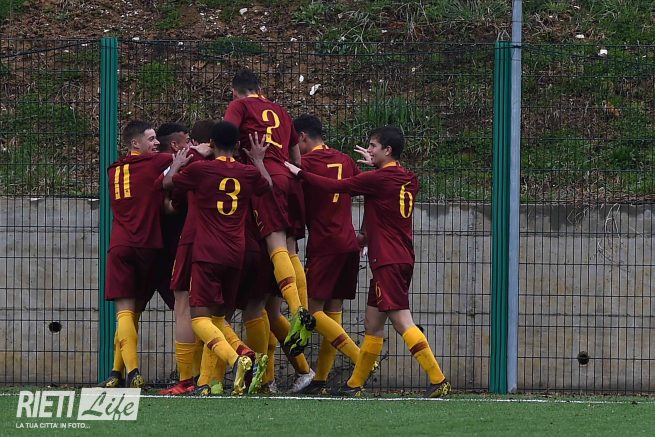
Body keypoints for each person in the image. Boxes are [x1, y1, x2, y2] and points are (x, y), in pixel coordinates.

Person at [285, 126, 451, 398]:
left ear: (388, 150)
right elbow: (383, 205)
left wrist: (300, 172)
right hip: (399, 256)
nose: (369, 150)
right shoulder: (409, 178)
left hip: (388, 259)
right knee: (372, 324)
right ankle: (354, 385)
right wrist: (364, 234)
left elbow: (336, 186)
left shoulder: (379, 179)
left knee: (402, 321)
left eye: (373, 146)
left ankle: (438, 379)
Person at [163, 121, 270, 396]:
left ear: (211, 143)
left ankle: (237, 358)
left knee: (199, 318)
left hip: (207, 252)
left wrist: (177, 163)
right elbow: (267, 185)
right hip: (236, 253)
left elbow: (167, 183)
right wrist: (258, 160)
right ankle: (225, 369)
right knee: (220, 317)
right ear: (238, 145)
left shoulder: (201, 169)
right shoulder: (247, 172)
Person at [224, 68, 314, 355]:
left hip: (265, 177)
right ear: (260, 88)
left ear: (235, 91)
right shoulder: (280, 110)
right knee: (291, 250)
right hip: (289, 178)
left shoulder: (239, 106)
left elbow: (228, 136)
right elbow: (296, 156)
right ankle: (303, 307)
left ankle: (298, 311)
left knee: (276, 247)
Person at [291, 115, 362, 394]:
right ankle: (320, 379)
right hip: (348, 243)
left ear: (303, 137)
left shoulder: (304, 164)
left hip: (325, 245)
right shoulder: (345, 160)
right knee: (333, 312)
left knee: (313, 312)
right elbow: (363, 189)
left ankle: (361, 359)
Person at [101, 120, 170, 389]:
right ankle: (131, 374)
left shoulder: (112, 170)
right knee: (132, 312)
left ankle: (117, 372)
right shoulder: (152, 164)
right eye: (151, 139)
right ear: (135, 143)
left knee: (126, 314)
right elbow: (187, 155)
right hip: (147, 246)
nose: (157, 143)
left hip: (120, 246)